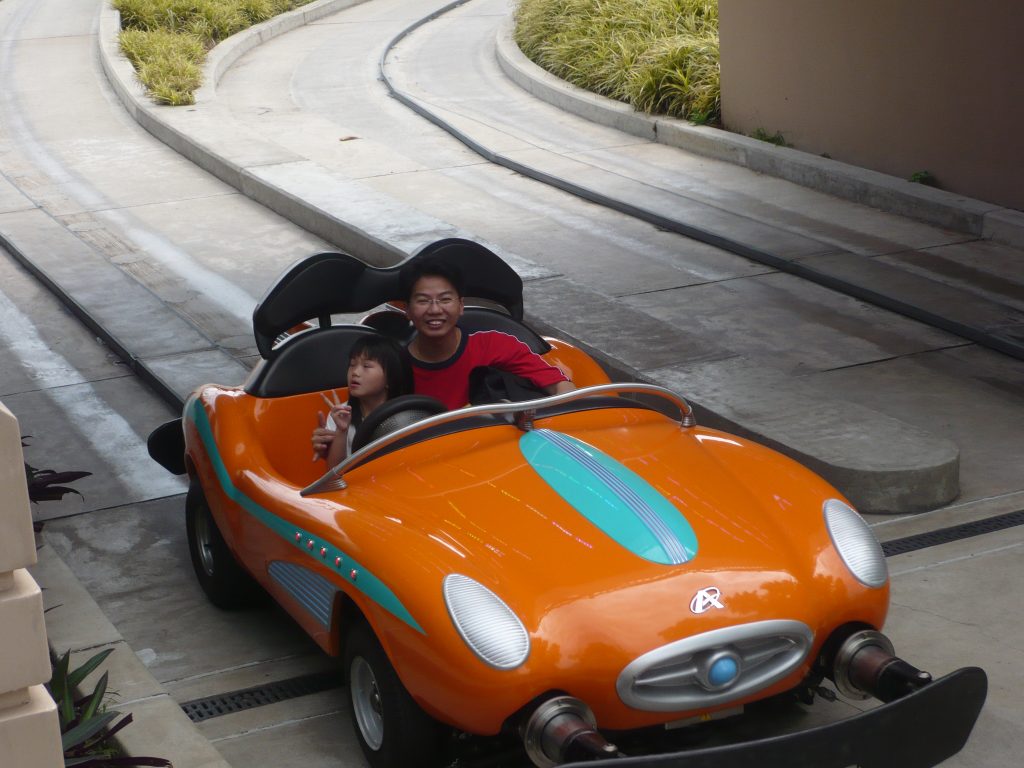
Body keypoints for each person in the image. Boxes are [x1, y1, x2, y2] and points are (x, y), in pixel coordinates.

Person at [400, 258, 574, 410]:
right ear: (407, 309)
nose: (435, 310)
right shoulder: (395, 366)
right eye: (423, 301)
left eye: (445, 299)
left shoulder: (494, 346)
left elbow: (561, 387)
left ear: (461, 305)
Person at [311, 335, 412, 465]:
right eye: (352, 364)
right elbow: (335, 472)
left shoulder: (407, 416)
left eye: (366, 366)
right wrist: (341, 431)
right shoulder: (340, 414)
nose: (355, 372)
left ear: (390, 378)